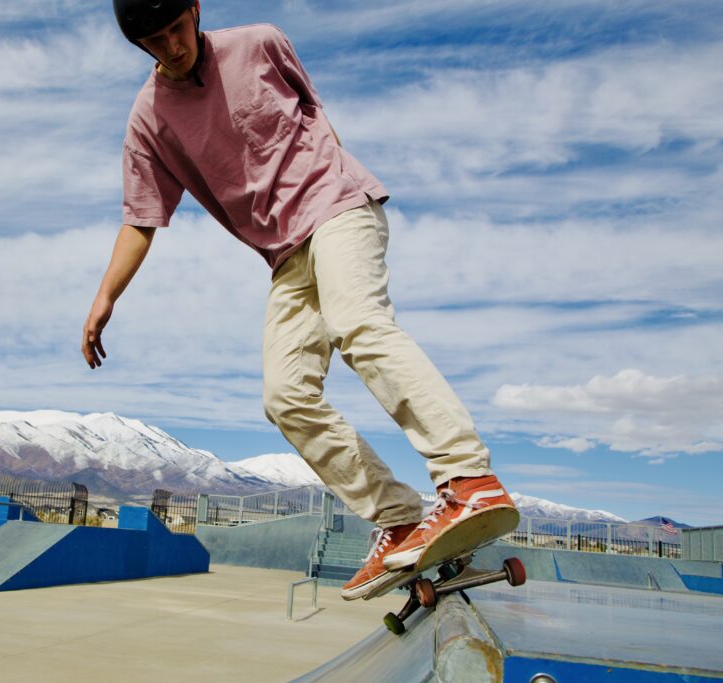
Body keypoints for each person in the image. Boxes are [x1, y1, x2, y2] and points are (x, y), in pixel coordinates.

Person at [82, 0, 519, 601]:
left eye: (177, 29)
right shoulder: (148, 120)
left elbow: (316, 115)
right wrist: (105, 297)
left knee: (357, 322)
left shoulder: (261, 43)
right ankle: (398, 519)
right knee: (285, 395)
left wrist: (335, 180)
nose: (173, 47)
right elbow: (141, 219)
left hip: (337, 209)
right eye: (155, 42)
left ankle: (468, 479)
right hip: (286, 256)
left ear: (195, 9)